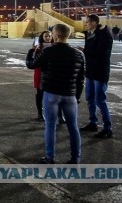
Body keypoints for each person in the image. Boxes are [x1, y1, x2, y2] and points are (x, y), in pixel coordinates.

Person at [31, 24, 84, 164]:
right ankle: (75, 157)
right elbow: (80, 79)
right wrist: (77, 96)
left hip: (52, 94)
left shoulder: (49, 51)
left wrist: (32, 52)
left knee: (50, 126)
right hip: (70, 94)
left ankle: (50, 157)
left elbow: (32, 65)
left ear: (56, 35)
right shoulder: (79, 54)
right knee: (73, 126)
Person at [79, 14, 114, 139]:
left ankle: (107, 128)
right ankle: (93, 123)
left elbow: (102, 53)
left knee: (100, 99)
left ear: (94, 23)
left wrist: (84, 51)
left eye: (87, 22)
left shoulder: (104, 34)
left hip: (100, 72)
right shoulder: (90, 34)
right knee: (89, 98)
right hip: (91, 72)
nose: (86, 24)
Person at [26, 31, 67, 122]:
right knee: (40, 93)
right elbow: (33, 62)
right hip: (40, 72)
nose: (48, 38)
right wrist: (34, 51)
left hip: (52, 72)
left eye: (49, 36)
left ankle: (60, 115)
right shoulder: (38, 47)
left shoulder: (55, 46)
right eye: (45, 36)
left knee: (56, 94)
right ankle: (40, 114)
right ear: (42, 37)